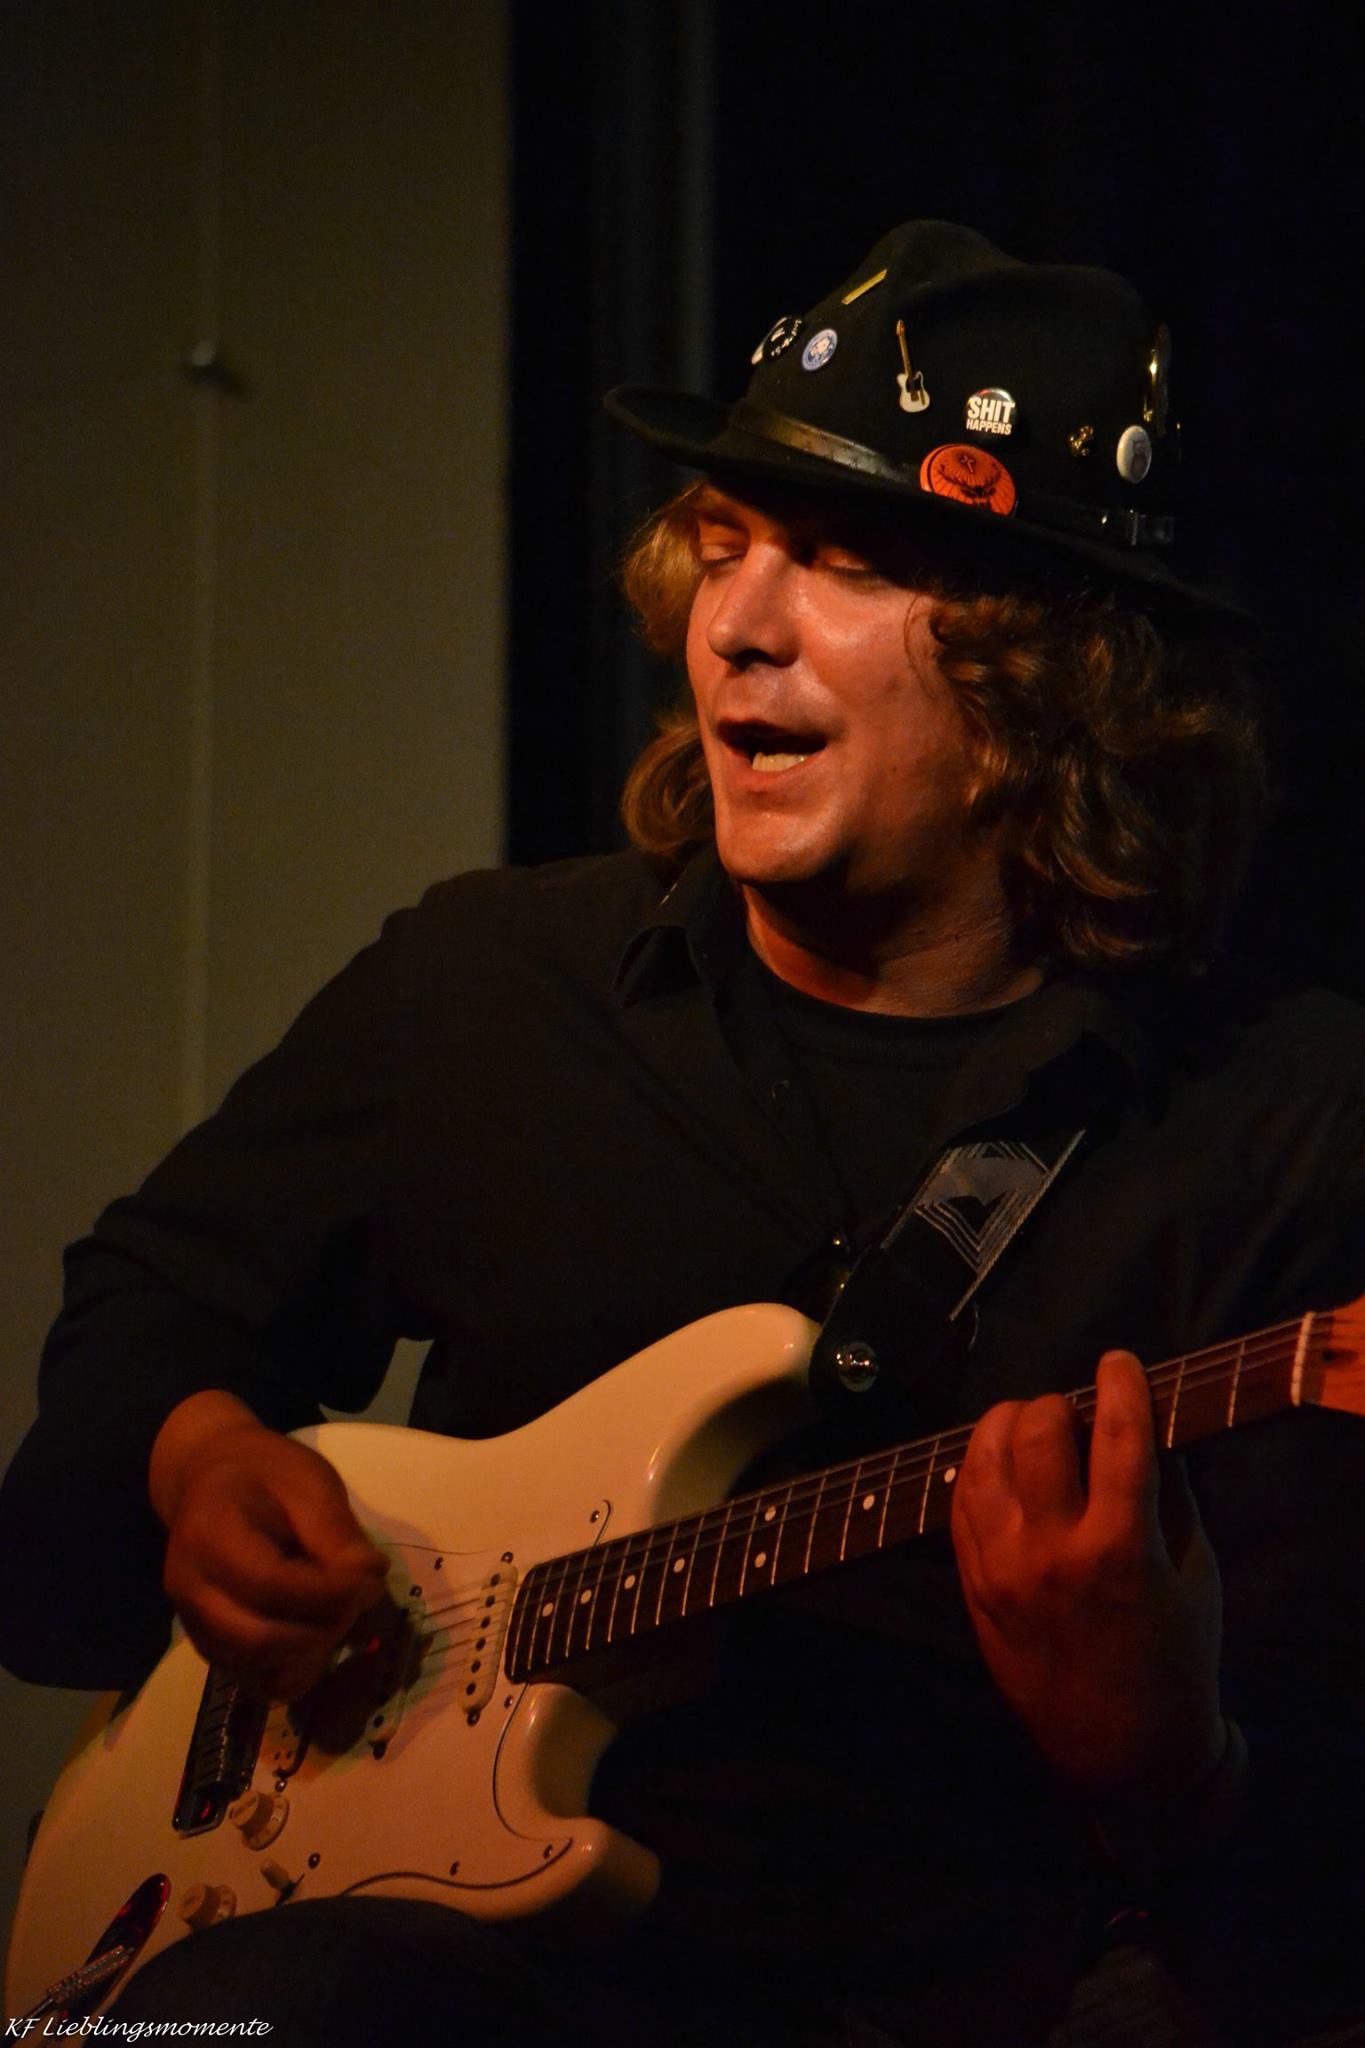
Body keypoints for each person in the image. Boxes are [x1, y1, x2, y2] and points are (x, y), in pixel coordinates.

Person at [4, 220, 1365, 2047]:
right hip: (467, 1973)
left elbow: (1320, 1881)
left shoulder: (1287, 1124)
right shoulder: (489, 983)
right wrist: (195, 1457)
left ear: (1056, 677)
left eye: (843, 562)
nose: (739, 621)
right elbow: (152, 1309)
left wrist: (1168, 1757)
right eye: (723, 546)